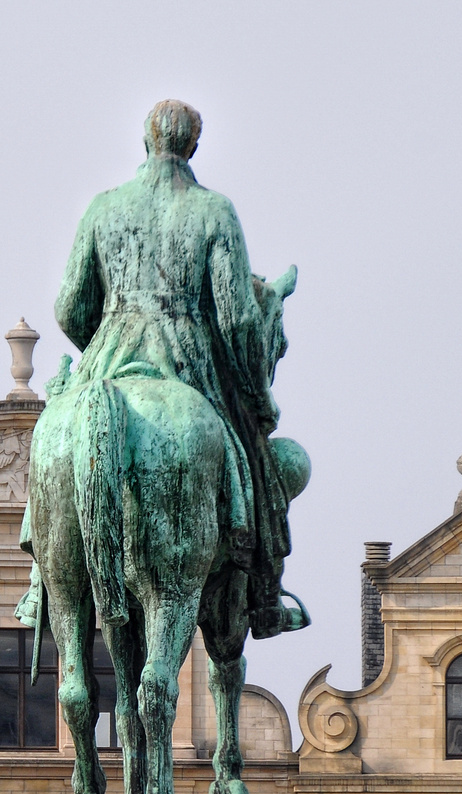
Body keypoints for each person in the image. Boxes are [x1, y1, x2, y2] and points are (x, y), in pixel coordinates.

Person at [20, 99, 307, 639]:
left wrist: (103, 338)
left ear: (145, 143)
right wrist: (254, 393)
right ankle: (265, 596)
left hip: (106, 356)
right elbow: (240, 319)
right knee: (261, 467)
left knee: (54, 451)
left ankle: (40, 584)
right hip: (188, 366)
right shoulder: (214, 210)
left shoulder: (102, 209)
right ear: (192, 147)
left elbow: (69, 308)